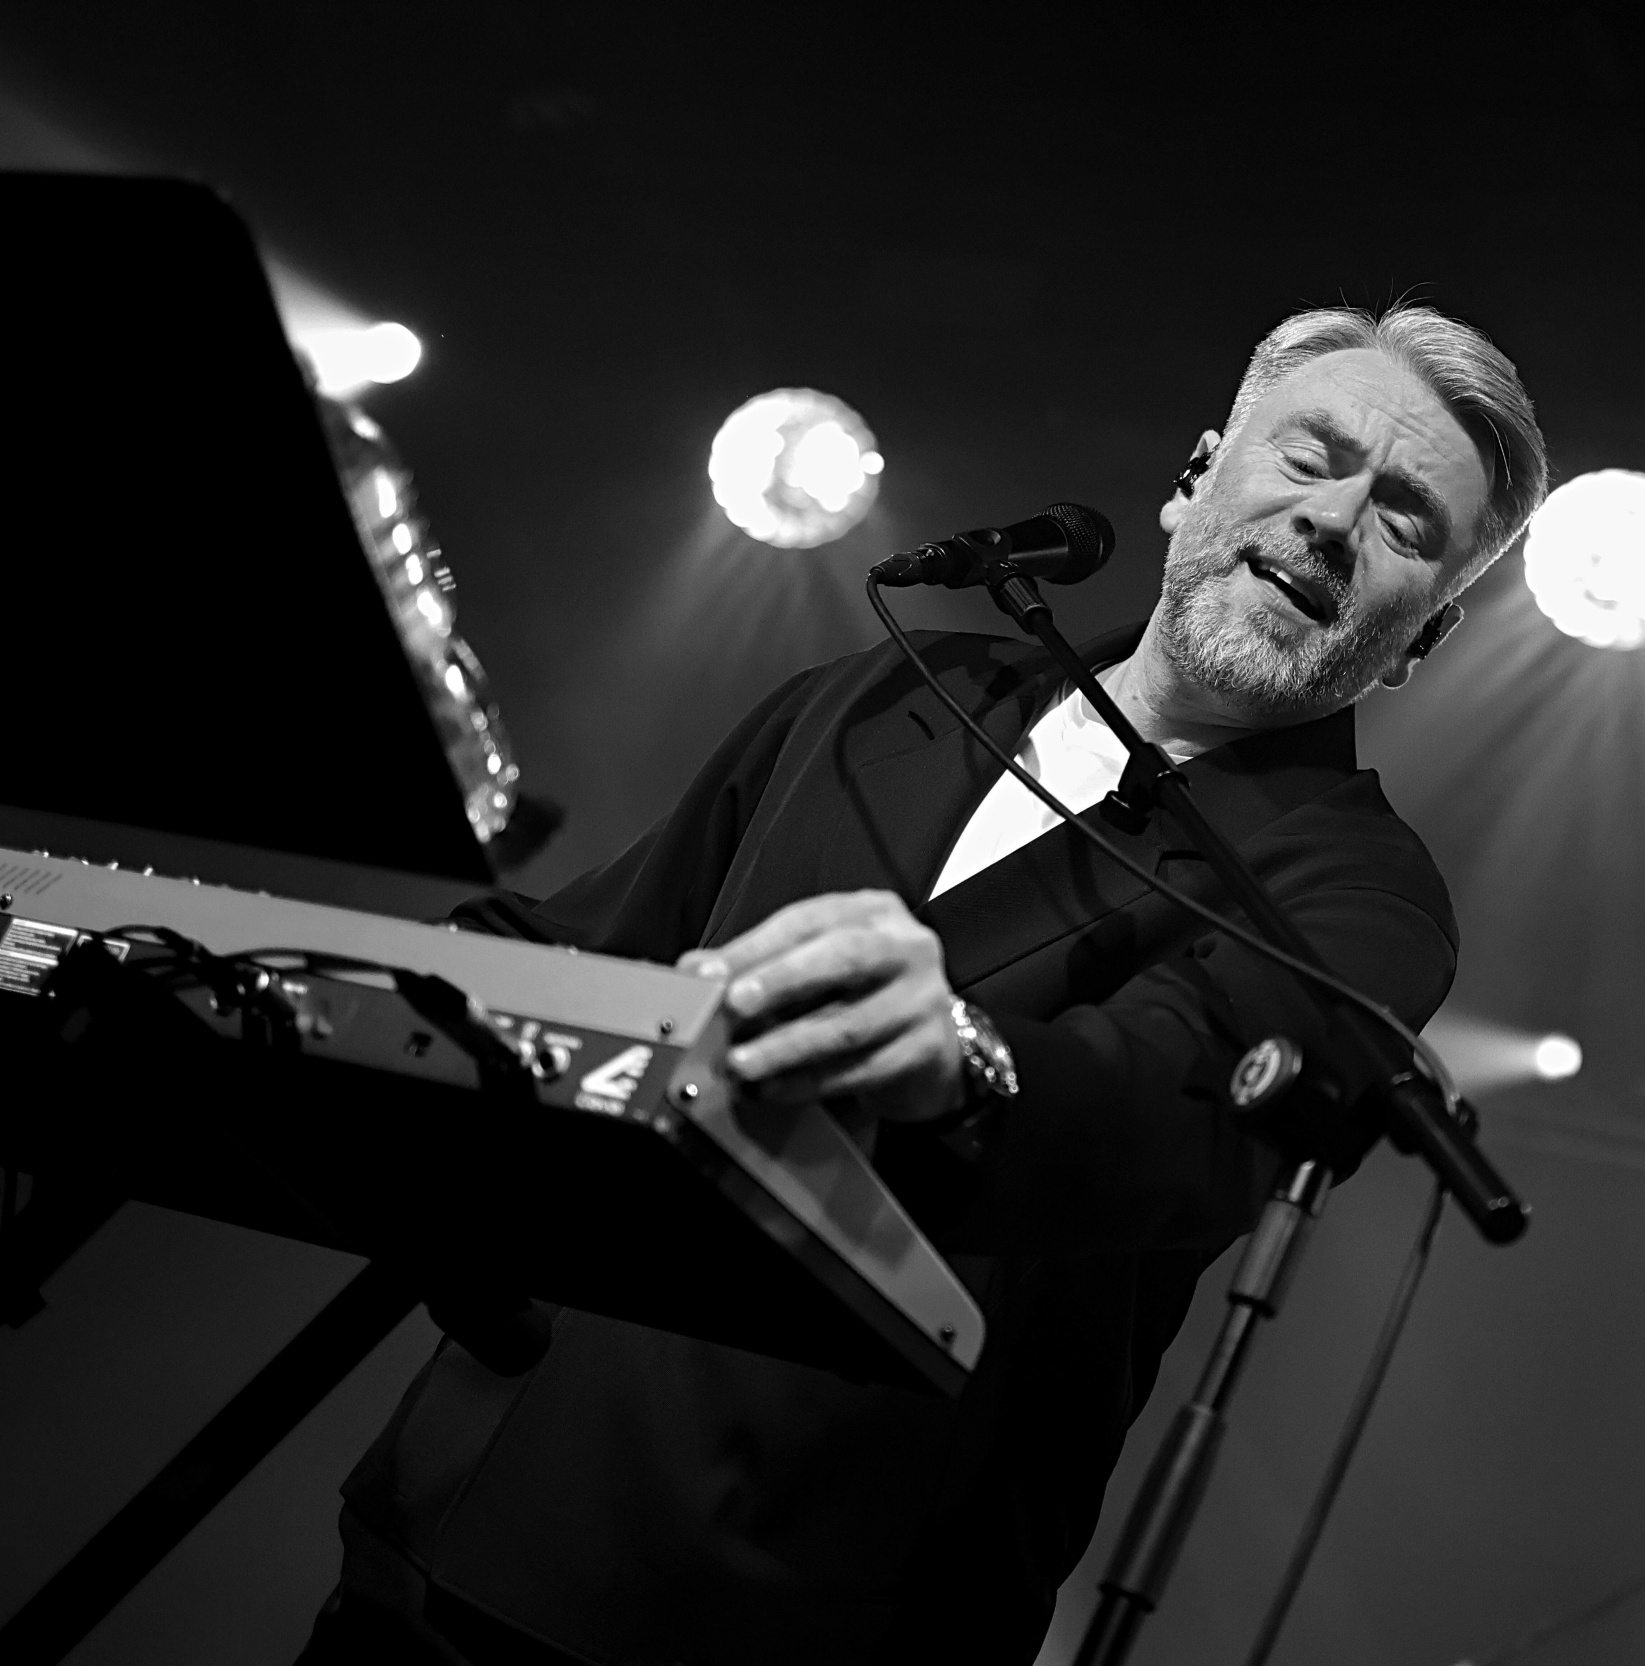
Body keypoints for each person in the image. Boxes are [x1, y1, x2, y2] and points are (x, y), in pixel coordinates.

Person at [301, 302, 1548, 1666]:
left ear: (1422, 639)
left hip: (824, 1619)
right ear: (1197, 475)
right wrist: (359, 932)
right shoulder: (893, 689)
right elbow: (586, 953)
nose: (1333, 519)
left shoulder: (1361, 892)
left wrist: (966, 1058)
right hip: (466, 1511)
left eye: (1405, 522)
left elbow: (1167, 1098)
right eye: (1310, 459)